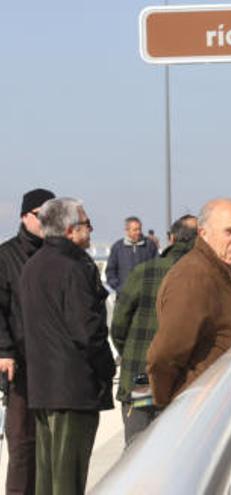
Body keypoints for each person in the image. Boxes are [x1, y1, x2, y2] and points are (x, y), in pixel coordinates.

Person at [19, 198, 115, 495]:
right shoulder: (74, 268)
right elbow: (87, 332)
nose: (91, 229)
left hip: (43, 388)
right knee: (68, 480)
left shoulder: (32, 266)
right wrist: (107, 368)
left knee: (47, 479)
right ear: (71, 230)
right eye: (87, 224)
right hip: (73, 390)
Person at [147, 199, 231, 407]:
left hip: (223, 402)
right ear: (203, 234)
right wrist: (171, 402)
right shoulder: (193, 277)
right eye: (229, 232)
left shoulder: (223, 273)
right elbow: (164, 354)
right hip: (202, 408)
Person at [110, 215, 197, 445]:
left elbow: (118, 325)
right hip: (185, 379)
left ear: (171, 238)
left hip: (142, 373)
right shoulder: (202, 276)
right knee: (177, 448)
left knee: (137, 447)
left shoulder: (145, 271)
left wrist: (129, 351)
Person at [0, 187, 55, 495]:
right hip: (20, 363)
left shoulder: (57, 254)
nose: (47, 221)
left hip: (54, 364)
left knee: (51, 443)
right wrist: (4, 351)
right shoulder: (6, 256)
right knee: (22, 442)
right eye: (41, 215)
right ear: (25, 216)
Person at [105, 216, 158, 291]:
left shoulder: (150, 246)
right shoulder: (117, 247)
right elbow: (110, 271)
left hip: (145, 295)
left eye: (139, 229)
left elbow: (157, 267)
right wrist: (119, 288)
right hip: (123, 296)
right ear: (127, 231)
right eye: (135, 230)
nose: (138, 232)